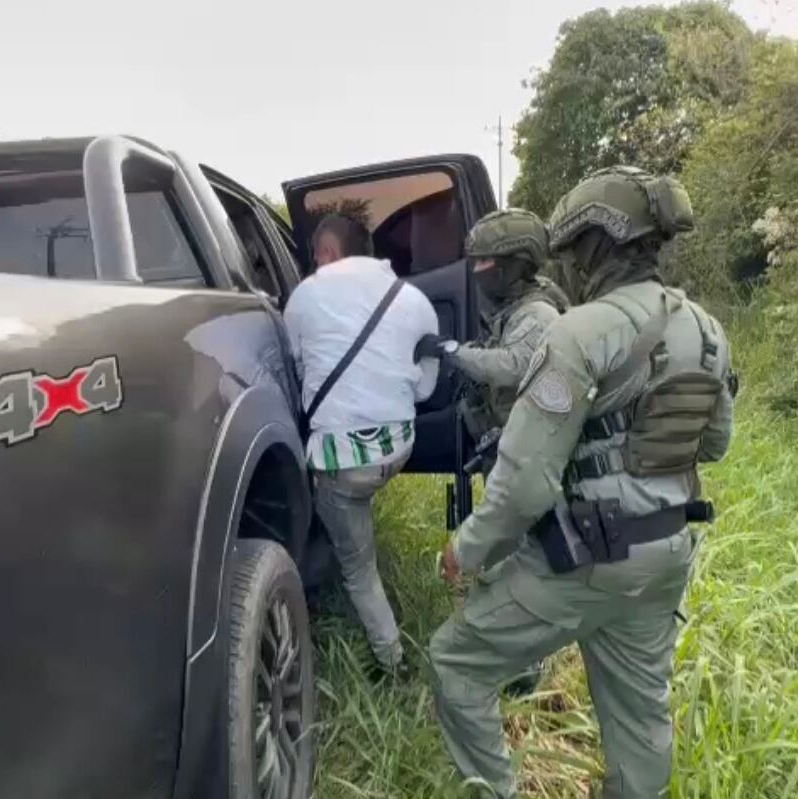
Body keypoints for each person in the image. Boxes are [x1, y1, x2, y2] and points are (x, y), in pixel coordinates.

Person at [427, 166, 736, 799]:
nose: (566, 264)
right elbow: (714, 444)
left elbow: (524, 486)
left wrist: (466, 549)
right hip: (668, 554)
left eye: (572, 250)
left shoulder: (578, 332)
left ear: (594, 245)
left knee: (454, 661)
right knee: (641, 717)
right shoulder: (707, 330)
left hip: (587, 559)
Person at [415, 208, 568, 697]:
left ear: (514, 265)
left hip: (528, 450)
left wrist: (452, 351)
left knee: (519, 556)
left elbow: (510, 366)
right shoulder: (514, 311)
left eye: (486, 264)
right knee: (510, 553)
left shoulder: (538, 314)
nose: (477, 272)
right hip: (506, 443)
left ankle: (526, 666)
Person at [285, 213, 440, 679]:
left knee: (359, 569)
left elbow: (298, 374)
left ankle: (392, 664)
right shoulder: (415, 300)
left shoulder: (302, 298)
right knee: (356, 498)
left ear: (326, 253)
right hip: (398, 449)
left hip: (343, 465)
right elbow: (426, 390)